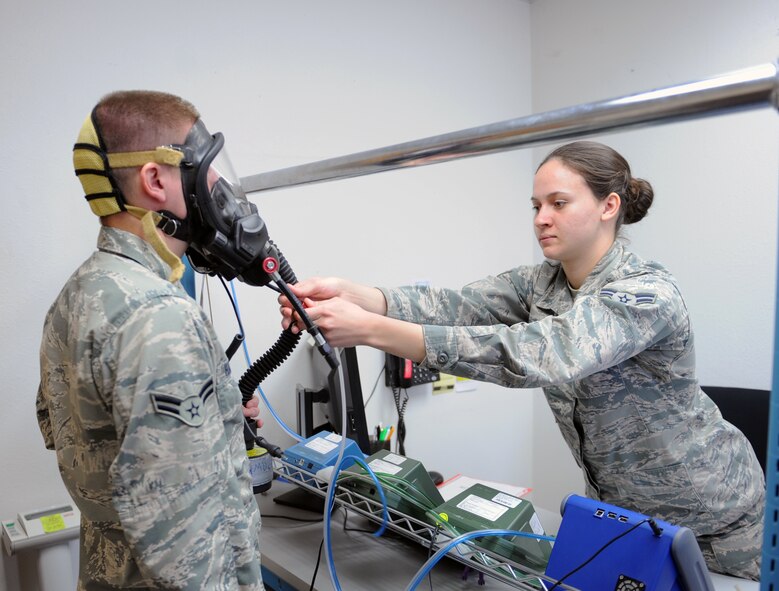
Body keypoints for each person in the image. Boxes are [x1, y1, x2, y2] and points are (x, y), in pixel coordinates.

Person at [279, 140, 765, 580]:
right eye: (536, 205)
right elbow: (456, 306)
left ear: (608, 206)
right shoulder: (542, 283)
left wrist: (371, 331)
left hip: (717, 524)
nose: (541, 218)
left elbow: (541, 353)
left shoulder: (644, 293)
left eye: (559, 203)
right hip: (628, 521)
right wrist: (357, 295)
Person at [36, 90, 266, 590]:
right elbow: (185, 548)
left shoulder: (78, 294)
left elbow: (85, 441)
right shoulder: (159, 316)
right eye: (206, 169)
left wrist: (217, 417)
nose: (219, 187)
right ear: (156, 179)